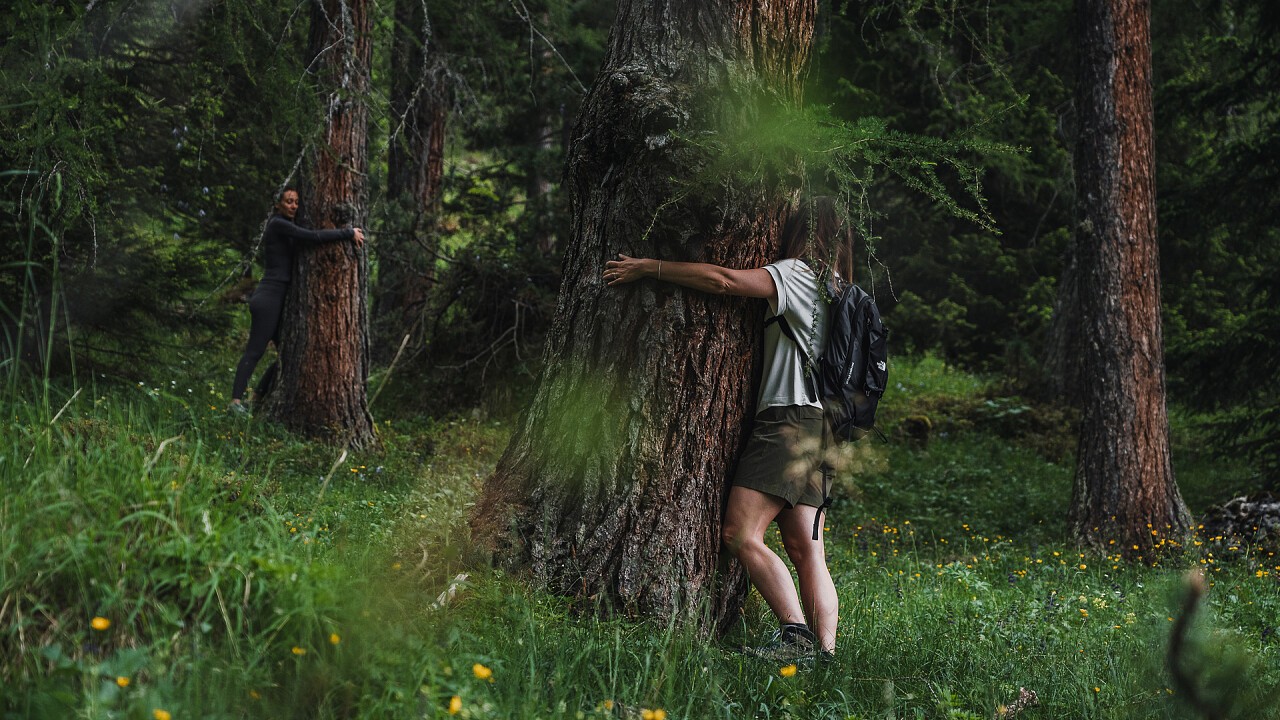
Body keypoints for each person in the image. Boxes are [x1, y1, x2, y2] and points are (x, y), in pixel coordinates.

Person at [604, 198, 852, 663]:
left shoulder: (797, 275)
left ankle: (796, 638)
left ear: (798, 231)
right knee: (808, 551)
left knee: (740, 531)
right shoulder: (839, 289)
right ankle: (825, 657)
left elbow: (724, 280)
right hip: (825, 430)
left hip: (787, 421)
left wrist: (649, 267)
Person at [229, 188, 365, 413]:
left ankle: (256, 398)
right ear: (278, 205)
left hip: (277, 299)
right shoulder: (277, 224)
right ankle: (234, 403)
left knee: (289, 353)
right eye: (288, 202)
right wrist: (348, 233)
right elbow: (313, 237)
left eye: (296, 202)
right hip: (268, 298)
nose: (293, 206)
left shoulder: (287, 226)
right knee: (255, 351)